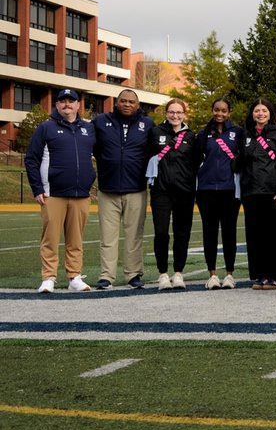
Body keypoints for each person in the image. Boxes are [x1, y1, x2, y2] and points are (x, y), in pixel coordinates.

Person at [25, 88, 96, 293]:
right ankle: (48, 277)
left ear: (77, 105)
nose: (67, 104)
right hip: (52, 193)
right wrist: (37, 188)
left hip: (81, 193)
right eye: (62, 101)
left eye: (71, 101)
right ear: (57, 105)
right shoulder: (46, 128)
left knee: (76, 239)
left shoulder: (88, 129)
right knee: (51, 238)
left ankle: (74, 276)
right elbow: (31, 159)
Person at [92, 88, 153, 289]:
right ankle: (107, 276)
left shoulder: (147, 125)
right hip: (108, 189)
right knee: (107, 236)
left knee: (134, 236)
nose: (127, 104)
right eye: (123, 101)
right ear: (116, 103)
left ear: (138, 105)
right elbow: (87, 146)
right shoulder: (101, 122)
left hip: (136, 188)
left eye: (131, 102)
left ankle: (133, 274)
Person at [239, 98, 276, 289]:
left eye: (264, 110)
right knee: (256, 236)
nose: (260, 114)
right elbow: (239, 162)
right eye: (256, 111)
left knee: (275, 235)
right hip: (251, 192)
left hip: (273, 192)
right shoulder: (245, 134)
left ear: (270, 113)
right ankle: (261, 275)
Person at [194, 98, 244, 289]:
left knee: (229, 232)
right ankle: (212, 274)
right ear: (212, 111)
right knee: (210, 232)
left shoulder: (238, 132)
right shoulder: (203, 133)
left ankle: (230, 274)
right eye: (216, 110)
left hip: (230, 189)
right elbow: (195, 160)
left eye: (223, 111)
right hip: (206, 190)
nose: (220, 114)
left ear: (228, 112)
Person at [148, 98, 197, 289]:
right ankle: (162, 273)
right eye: (171, 112)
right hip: (161, 190)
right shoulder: (155, 132)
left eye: (179, 112)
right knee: (161, 232)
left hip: (184, 191)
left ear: (184, 114)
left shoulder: (191, 136)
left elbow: (196, 162)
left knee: (182, 232)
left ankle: (178, 272)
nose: (175, 116)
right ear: (166, 113)